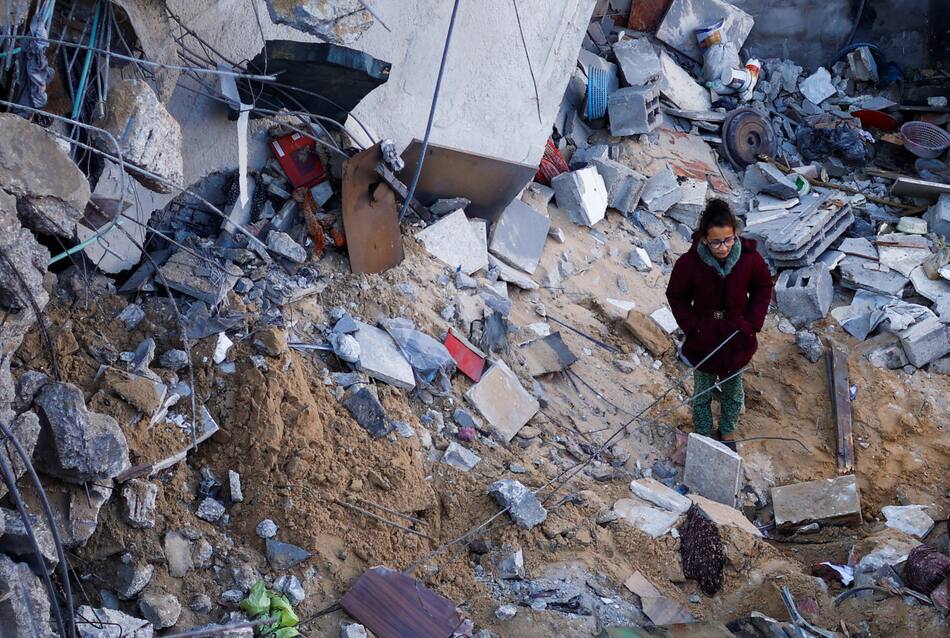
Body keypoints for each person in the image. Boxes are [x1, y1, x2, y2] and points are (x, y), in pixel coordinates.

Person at [665, 199, 773, 451]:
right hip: (703, 338)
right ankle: (703, 433)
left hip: (738, 337)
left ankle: (727, 432)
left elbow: (763, 287)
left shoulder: (749, 259)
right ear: (704, 238)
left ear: (734, 235)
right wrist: (693, 327)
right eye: (715, 242)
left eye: (728, 240)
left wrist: (751, 324)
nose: (723, 247)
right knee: (702, 391)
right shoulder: (689, 264)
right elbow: (676, 296)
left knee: (733, 391)